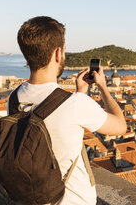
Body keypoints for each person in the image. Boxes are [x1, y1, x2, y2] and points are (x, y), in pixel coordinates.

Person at [10, 16, 127, 205]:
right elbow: (121, 126)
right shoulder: (76, 105)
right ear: (58, 53)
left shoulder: (14, 98)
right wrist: (103, 87)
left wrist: (80, 91)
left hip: (31, 198)